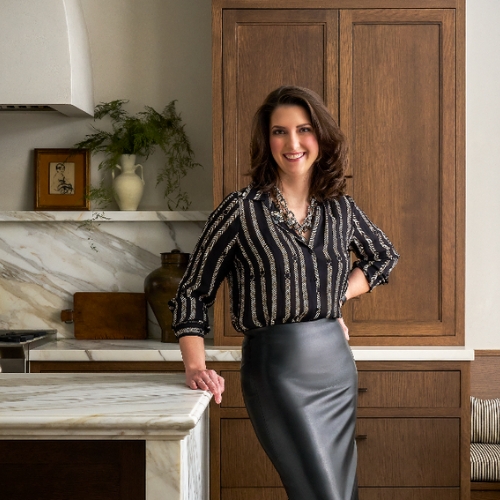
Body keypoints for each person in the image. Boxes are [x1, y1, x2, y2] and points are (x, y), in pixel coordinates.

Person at [169, 85, 399, 500]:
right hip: (277, 371)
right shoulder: (240, 209)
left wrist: (332, 299)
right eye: (279, 132)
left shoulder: (339, 208)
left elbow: (383, 257)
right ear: (266, 140)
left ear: (321, 138)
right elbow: (192, 292)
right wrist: (194, 366)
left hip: (335, 368)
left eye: (304, 129)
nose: (292, 143)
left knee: (342, 494)